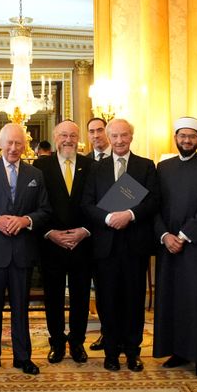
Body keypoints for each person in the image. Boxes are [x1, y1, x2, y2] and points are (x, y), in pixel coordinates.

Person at [0, 123, 52, 376]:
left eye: (18, 143)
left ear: (25, 144)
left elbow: (45, 210)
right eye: (9, 143)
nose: (14, 148)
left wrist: (26, 221)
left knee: (21, 308)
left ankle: (22, 357)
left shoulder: (35, 174)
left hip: (22, 253)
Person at [82, 118, 159, 372]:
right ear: (108, 137)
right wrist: (107, 218)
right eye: (114, 136)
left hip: (135, 245)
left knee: (134, 300)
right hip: (105, 246)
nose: (119, 141)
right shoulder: (96, 168)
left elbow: (153, 201)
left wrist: (130, 215)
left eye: (124, 135)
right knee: (107, 301)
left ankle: (133, 352)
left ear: (131, 136)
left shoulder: (145, 166)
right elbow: (87, 204)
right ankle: (111, 353)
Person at [152, 117, 197, 378]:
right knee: (172, 299)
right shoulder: (163, 167)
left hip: (196, 246)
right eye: (182, 136)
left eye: (191, 136)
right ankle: (177, 351)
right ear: (175, 138)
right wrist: (164, 236)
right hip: (168, 245)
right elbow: (154, 206)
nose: (186, 140)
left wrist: (183, 235)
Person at [33, 120, 94, 364]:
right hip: (52, 244)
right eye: (63, 135)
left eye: (72, 135)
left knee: (80, 296)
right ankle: (57, 342)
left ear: (79, 139)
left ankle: (78, 342)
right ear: (55, 138)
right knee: (54, 296)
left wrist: (85, 231)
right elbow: (35, 203)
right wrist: (49, 233)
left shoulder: (92, 166)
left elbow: (98, 203)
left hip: (82, 243)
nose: (68, 140)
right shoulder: (40, 166)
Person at [86, 116, 111, 352]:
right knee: (101, 290)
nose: (96, 136)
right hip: (95, 239)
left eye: (100, 130)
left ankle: (124, 335)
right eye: (91, 132)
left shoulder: (125, 161)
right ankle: (106, 332)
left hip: (124, 235)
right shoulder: (84, 163)